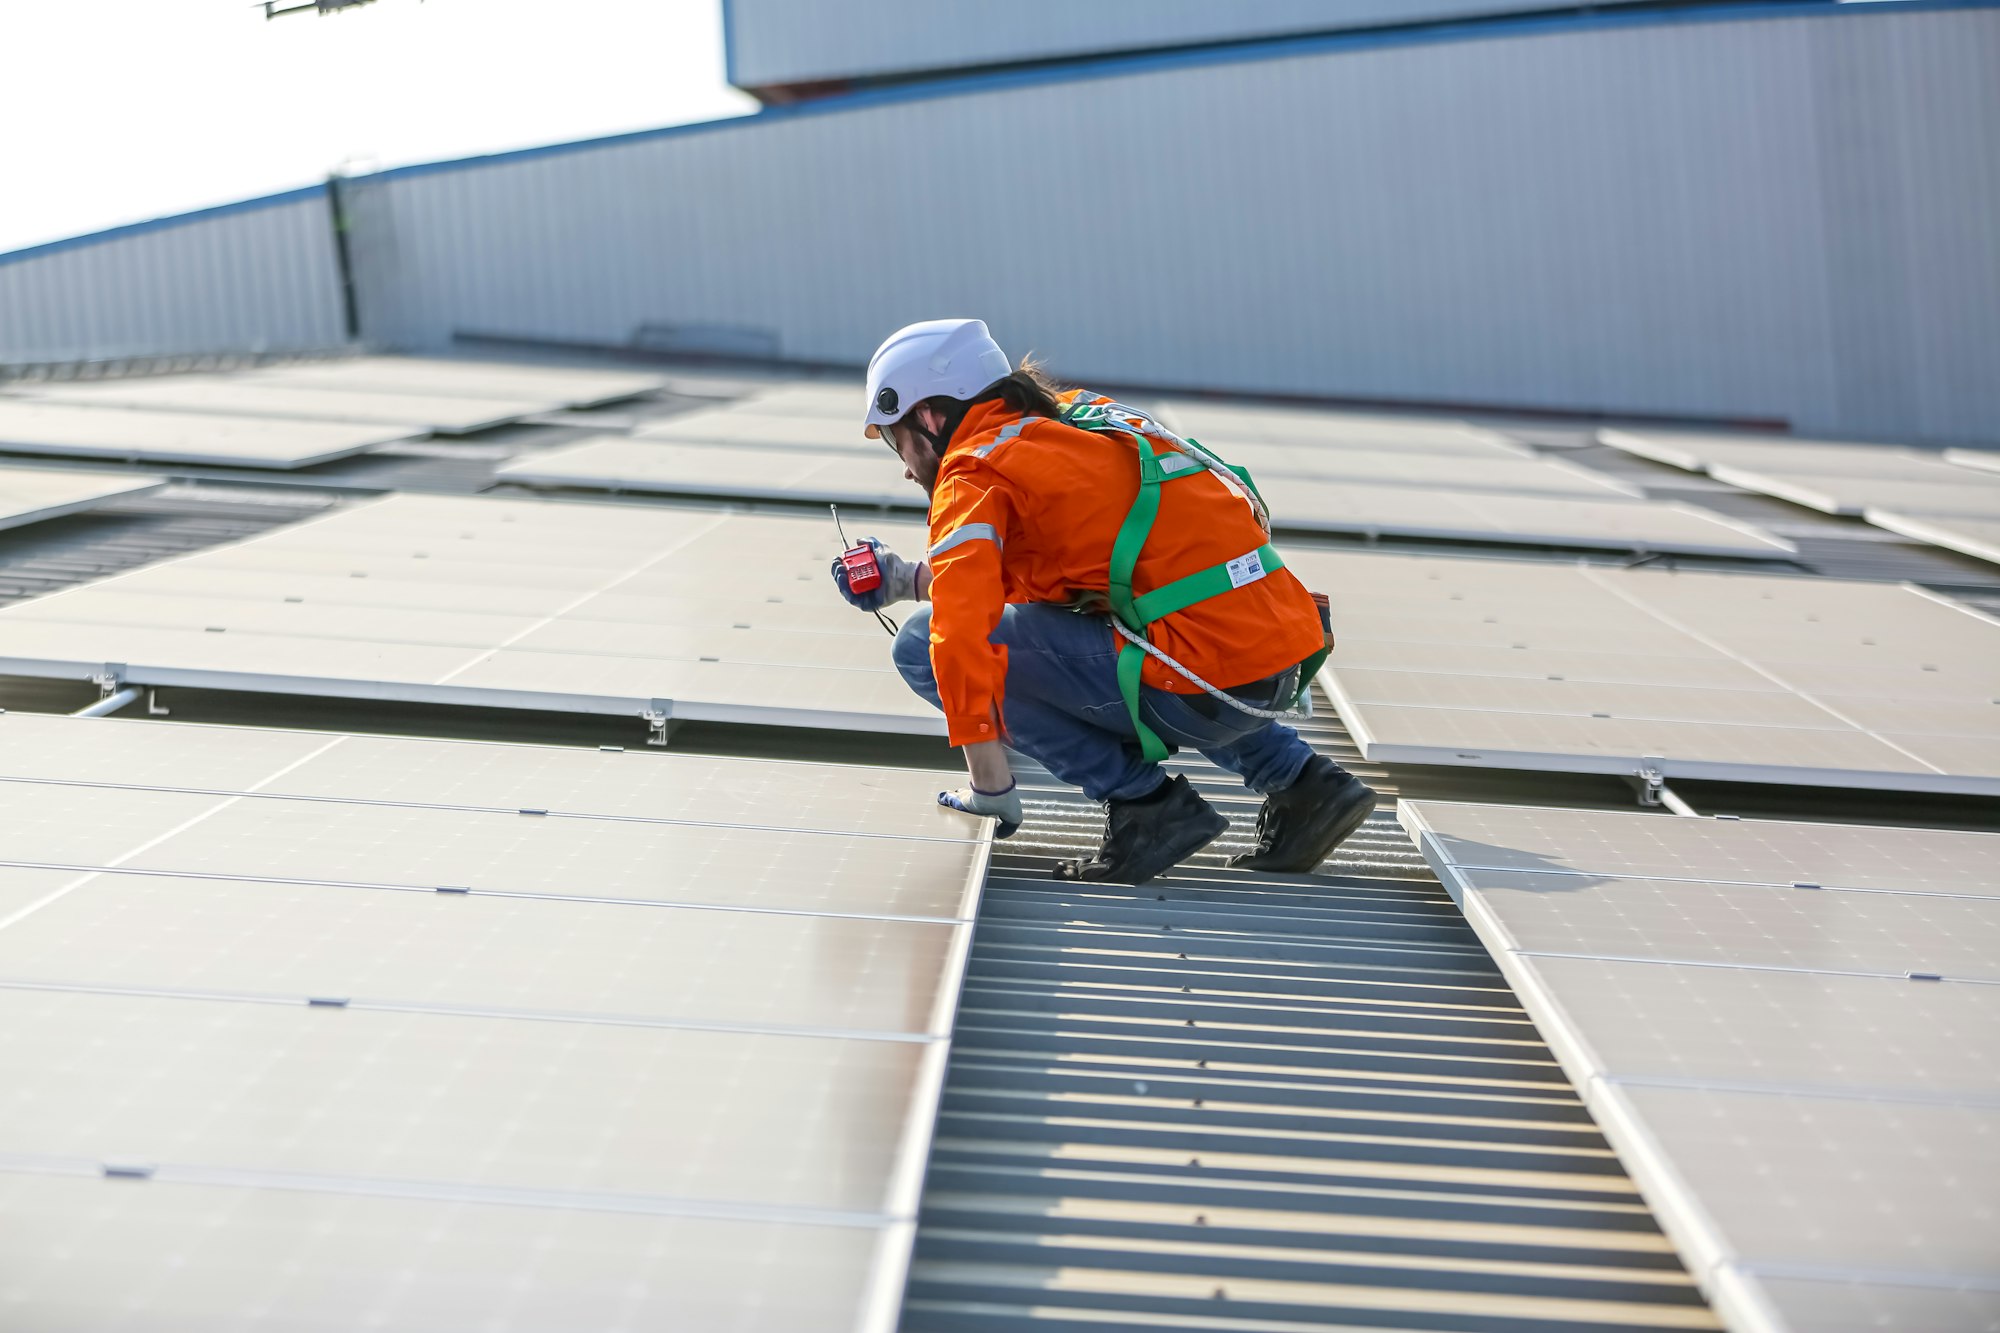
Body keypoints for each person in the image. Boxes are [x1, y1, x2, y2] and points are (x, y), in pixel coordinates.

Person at [832, 318, 1376, 884]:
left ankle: (1145, 806)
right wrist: (906, 579)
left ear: (930, 416)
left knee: (920, 644)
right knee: (1176, 626)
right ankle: (1306, 785)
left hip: (1203, 688)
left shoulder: (972, 471)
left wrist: (990, 786)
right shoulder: (1073, 419)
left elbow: (963, 636)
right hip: (1277, 666)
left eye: (898, 439)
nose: (903, 465)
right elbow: (1048, 581)